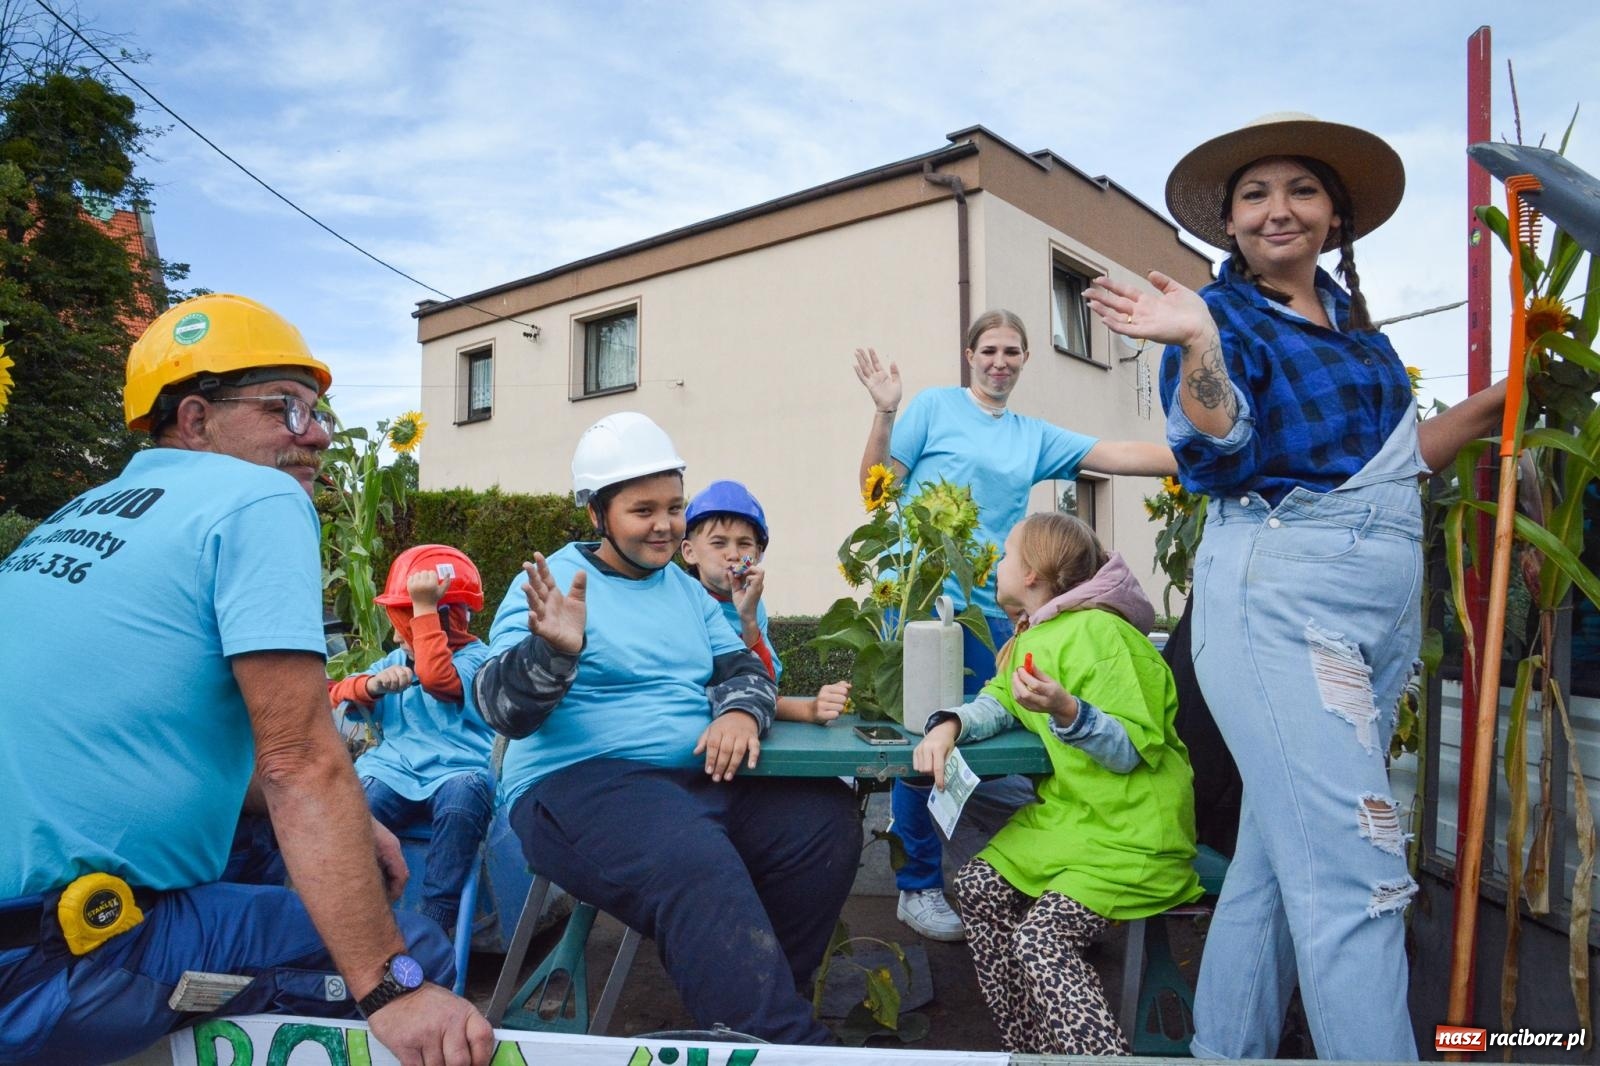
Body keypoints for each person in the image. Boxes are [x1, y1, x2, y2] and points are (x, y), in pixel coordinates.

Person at [1086, 113, 1509, 1060]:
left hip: (1381, 599)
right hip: (1283, 598)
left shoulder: (1358, 331)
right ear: (1228, 225)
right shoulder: (1218, 317)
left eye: (1302, 190)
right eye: (1255, 195)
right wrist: (1197, 347)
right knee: (1357, 873)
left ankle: (1222, 1051)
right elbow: (1221, 446)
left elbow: (1394, 465)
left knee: (1279, 867)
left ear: (1334, 216)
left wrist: (1489, 405)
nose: (1280, 210)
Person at [0, 294, 492, 1066]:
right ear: (195, 421)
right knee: (413, 953)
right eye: (287, 409)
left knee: (316, 863)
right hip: (54, 966)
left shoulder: (74, 517)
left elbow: (139, 740)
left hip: (30, 924)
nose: (319, 433)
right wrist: (392, 989)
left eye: (319, 408)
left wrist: (352, 823)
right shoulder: (256, 495)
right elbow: (299, 759)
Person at [474, 412, 861, 1045]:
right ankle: (788, 1043)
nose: (664, 525)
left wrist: (740, 711)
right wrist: (552, 655)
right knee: (692, 859)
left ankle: (754, 1016)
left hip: (692, 778)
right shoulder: (550, 587)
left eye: (675, 507)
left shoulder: (684, 593)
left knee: (823, 823)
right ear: (599, 513)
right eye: (642, 509)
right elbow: (500, 710)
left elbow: (744, 669)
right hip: (575, 785)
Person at [853, 309, 1176, 941]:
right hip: (917, 596)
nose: (1001, 361)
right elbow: (875, 485)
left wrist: (1207, 456)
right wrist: (885, 411)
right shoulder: (933, 408)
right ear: (970, 355)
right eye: (990, 349)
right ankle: (917, 885)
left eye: (1013, 352)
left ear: (1026, 360)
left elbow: (1115, 452)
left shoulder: (1031, 435)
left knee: (1011, 724)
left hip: (992, 607)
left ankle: (1045, 873)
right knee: (923, 734)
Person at [913, 512, 1200, 1055]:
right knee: (978, 889)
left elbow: (1129, 750)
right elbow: (999, 700)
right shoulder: (1037, 636)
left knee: (1041, 939)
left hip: (1134, 832)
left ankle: (1098, 1059)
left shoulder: (1104, 634)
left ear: (1033, 573)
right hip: (1076, 822)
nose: (997, 563)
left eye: (1006, 554)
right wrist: (950, 723)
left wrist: (1070, 712)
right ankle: (1035, 1051)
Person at [329, 544, 495, 936]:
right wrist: (371, 684)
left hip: (458, 772)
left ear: (444, 617)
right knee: (353, 810)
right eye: (402, 616)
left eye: (409, 616)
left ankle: (435, 920)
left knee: (465, 797)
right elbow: (335, 694)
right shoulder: (394, 661)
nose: (399, 630)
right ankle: (355, 917)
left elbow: (438, 679)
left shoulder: (479, 661)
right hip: (394, 771)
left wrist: (423, 613)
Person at [680, 479, 852, 722]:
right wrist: (804, 711)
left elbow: (764, 684)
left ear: (758, 555)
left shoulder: (753, 604)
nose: (733, 554)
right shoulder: (680, 599)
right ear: (689, 552)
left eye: (745, 544)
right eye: (718, 543)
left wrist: (748, 619)